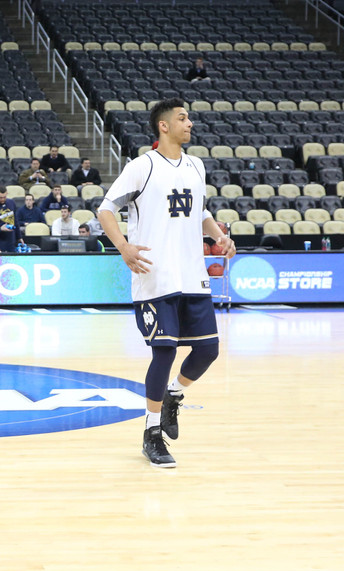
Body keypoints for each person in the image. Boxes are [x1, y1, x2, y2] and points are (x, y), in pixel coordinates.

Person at [97, 96, 235, 469]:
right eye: (182, 118)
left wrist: (218, 235)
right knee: (165, 351)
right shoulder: (142, 167)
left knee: (208, 350)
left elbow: (200, 210)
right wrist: (123, 246)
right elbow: (106, 208)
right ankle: (152, 433)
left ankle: (175, 395)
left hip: (192, 273)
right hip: (155, 276)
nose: (189, 123)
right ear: (164, 126)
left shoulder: (195, 165)